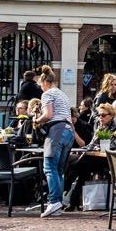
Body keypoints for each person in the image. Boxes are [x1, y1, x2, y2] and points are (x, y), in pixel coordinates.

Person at [33, 66, 75, 218]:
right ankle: (57, 204)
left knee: (49, 166)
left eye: (40, 84)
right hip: (69, 131)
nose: (40, 87)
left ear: (44, 81)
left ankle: (54, 201)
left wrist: (36, 120)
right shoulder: (62, 94)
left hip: (57, 131)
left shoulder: (47, 94)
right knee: (59, 169)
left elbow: (48, 114)